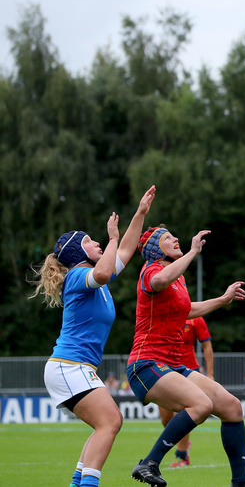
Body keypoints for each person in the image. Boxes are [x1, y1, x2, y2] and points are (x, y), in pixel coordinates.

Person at [31, 186, 154, 487]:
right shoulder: (77, 275)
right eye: (89, 241)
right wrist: (111, 238)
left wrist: (139, 214)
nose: (97, 242)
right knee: (111, 421)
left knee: (105, 424)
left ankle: (78, 483)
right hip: (68, 366)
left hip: (76, 369)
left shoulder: (97, 277)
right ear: (77, 253)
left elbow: (123, 252)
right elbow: (102, 271)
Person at [126, 226, 245, 487]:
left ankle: (241, 482)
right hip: (146, 364)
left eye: (174, 235)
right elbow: (159, 282)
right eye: (168, 237)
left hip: (172, 365)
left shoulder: (178, 278)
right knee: (201, 405)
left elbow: (188, 309)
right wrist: (193, 251)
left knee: (232, 407)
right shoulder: (151, 270)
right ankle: (149, 463)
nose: (176, 239)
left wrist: (223, 299)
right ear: (154, 249)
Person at [157, 316, 214, 468]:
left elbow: (207, 346)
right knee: (165, 418)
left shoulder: (196, 319)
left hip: (188, 371)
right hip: (164, 369)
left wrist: (210, 374)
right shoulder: (161, 313)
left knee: (181, 413)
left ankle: (181, 455)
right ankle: (183, 439)